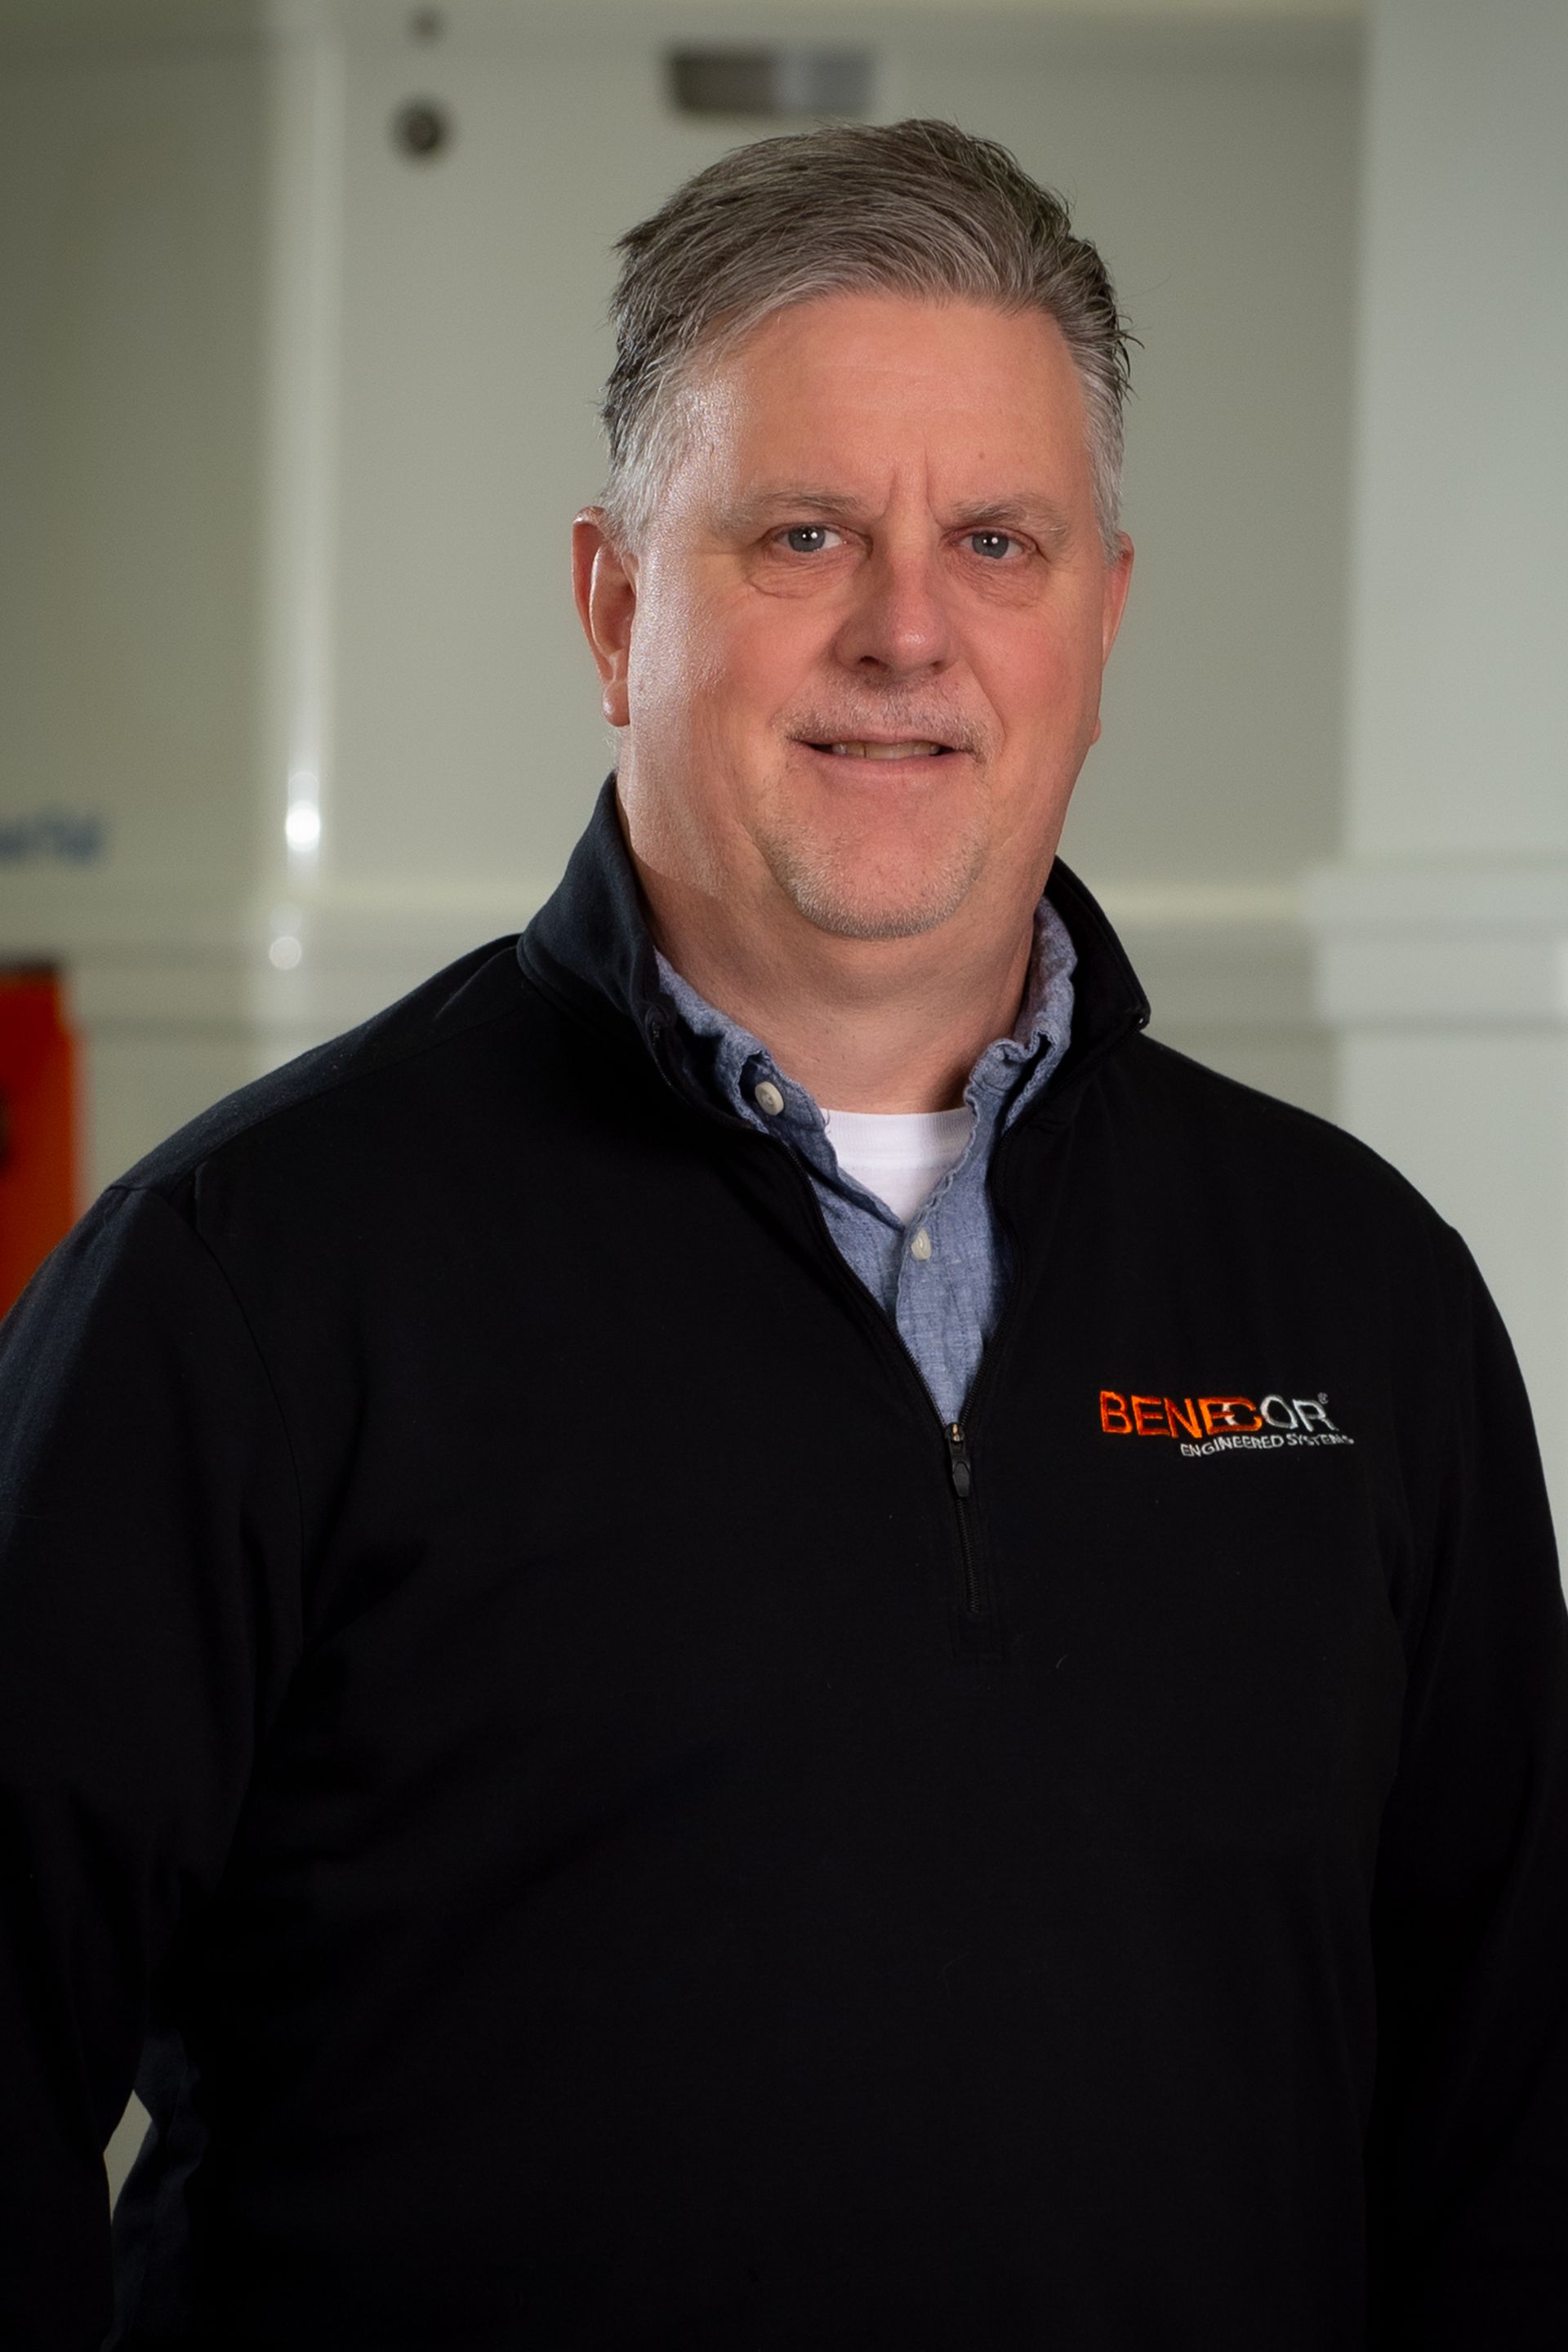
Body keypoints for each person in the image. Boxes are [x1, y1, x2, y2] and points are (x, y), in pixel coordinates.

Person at [2, 118, 1565, 2352]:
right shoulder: (248, 1284)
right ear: (620, 601)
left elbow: (1514, 2127)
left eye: (999, 542)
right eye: (804, 532)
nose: (907, 629)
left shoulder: (1358, 1297)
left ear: (1102, 621)